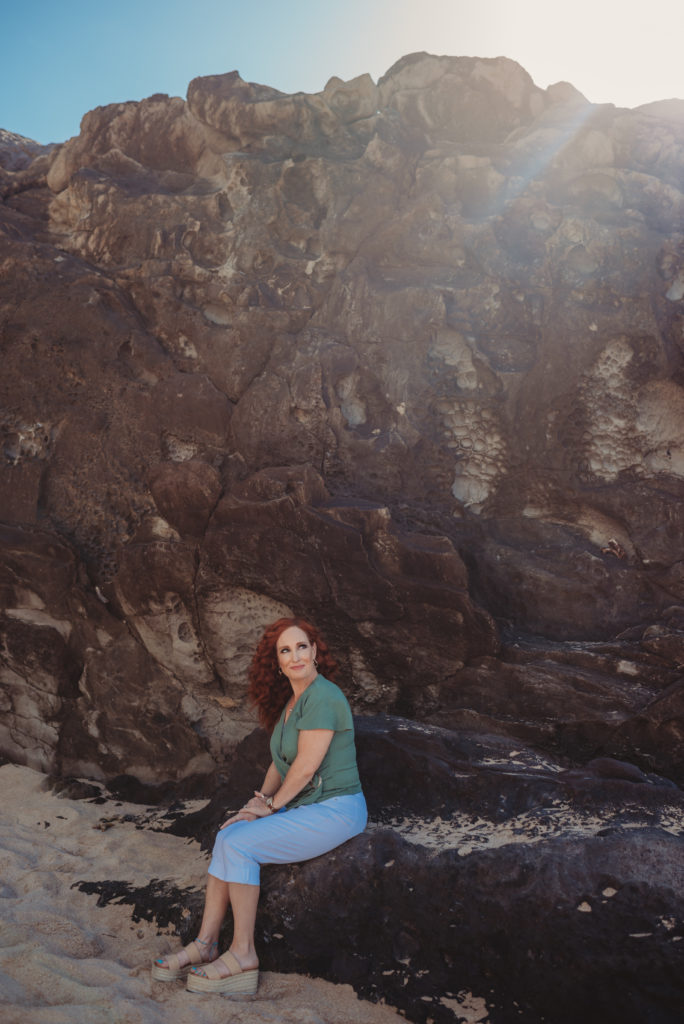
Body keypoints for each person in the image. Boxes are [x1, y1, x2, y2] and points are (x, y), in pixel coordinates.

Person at [151, 615, 367, 995]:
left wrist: (270, 807)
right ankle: (205, 943)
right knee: (230, 833)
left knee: (240, 843)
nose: (295, 655)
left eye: (302, 646)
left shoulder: (325, 696)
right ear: (278, 663)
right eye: (286, 650)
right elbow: (279, 764)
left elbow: (304, 768)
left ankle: (244, 953)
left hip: (337, 809)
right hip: (307, 807)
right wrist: (259, 800)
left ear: (315, 652)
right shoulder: (291, 704)